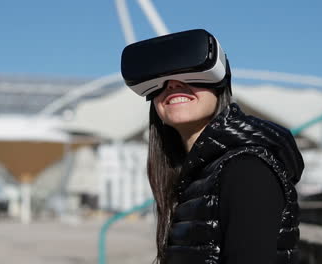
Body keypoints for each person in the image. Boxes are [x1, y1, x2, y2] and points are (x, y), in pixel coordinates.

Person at [121, 29, 304, 264]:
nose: (173, 84)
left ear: (220, 85)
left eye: (189, 73)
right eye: (161, 80)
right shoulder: (194, 178)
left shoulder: (247, 170)